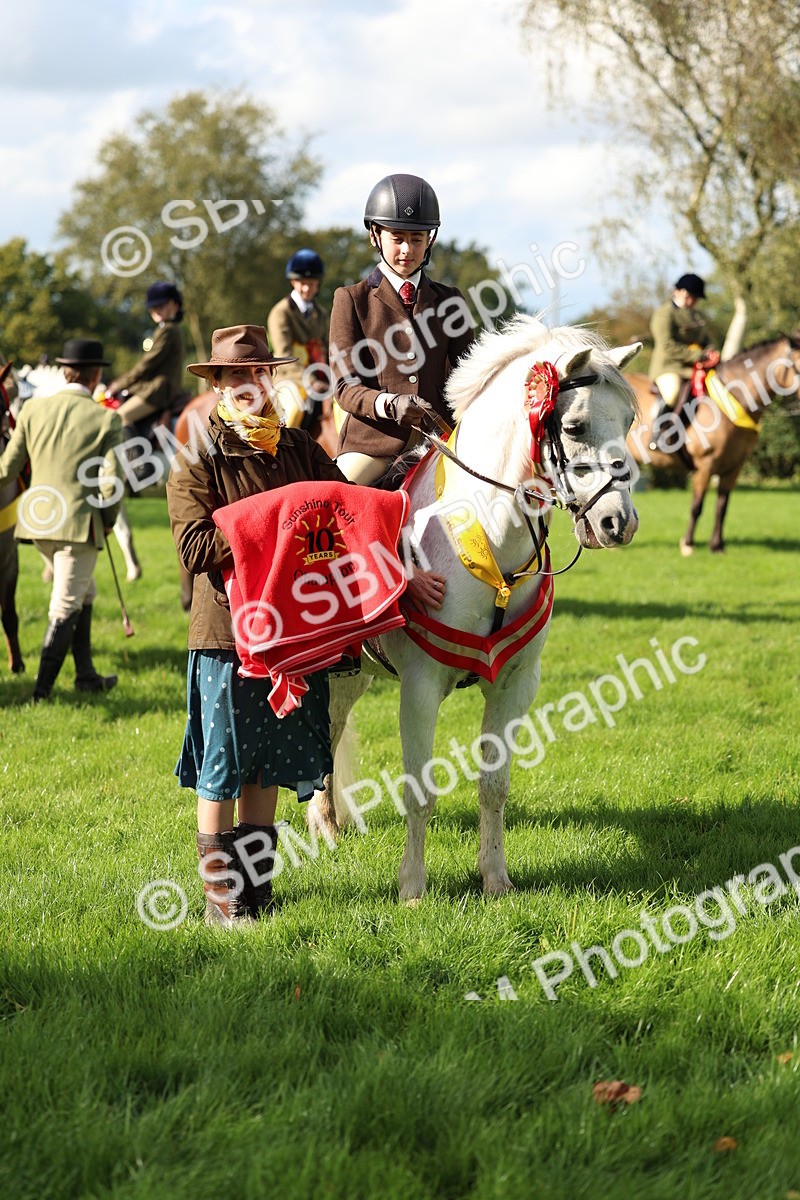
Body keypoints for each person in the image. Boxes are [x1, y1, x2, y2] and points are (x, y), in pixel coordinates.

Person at [167, 324, 445, 927]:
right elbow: (194, 546)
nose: (249, 385)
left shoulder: (297, 446)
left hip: (295, 632)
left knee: (268, 762)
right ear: (217, 384)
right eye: (235, 377)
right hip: (228, 633)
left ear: (270, 378)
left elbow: (351, 512)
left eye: (258, 373)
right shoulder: (196, 457)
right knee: (223, 764)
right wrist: (278, 522)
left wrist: (402, 570)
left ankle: (256, 888)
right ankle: (222, 898)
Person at [329, 173, 475, 484]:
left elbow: (470, 375)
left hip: (440, 442)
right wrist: (389, 404)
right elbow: (344, 387)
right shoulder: (350, 300)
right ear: (375, 235)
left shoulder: (450, 300)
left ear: (430, 240)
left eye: (417, 239)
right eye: (397, 238)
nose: (407, 250)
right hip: (373, 446)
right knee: (335, 500)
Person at [0, 338, 123, 701]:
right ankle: (41, 694)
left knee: (85, 591)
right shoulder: (106, 417)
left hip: (36, 525)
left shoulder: (32, 411)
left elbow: (6, 469)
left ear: (65, 370)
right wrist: (109, 521)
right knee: (65, 604)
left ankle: (85, 675)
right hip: (77, 526)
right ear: (96, 374)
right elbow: (113, 481)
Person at [266, 249, 331, 431]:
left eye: (312, 283)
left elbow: (327, 348)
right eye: (302, 283)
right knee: (295, 410)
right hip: (289, 378)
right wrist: (311, 381)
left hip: (320, 376)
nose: (307, 289)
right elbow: (284, 356)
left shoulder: (322, 313)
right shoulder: (281, 313)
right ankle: (282, 454)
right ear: (293, 282)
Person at [109, 281, 185, 427]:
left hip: (158, 390)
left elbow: (147, 364)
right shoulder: (166, 329)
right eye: (153, 307)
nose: (156, 310)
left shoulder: (168, 331)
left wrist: (120, 384)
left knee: (119, 418)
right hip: (156, 387)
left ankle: (135, 451)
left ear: (174, 305)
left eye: (161, 305)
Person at [649, 273, 712, 414]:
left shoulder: (697, 316)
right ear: (679, 291)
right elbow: (667, 345)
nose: (694, 301)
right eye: (692, 296)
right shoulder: (665, 313)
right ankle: (659, 431)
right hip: (670, 366)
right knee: (672, 394)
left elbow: (706, 339)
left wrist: (711, 351)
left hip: (697, 366)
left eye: (696, 298)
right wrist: (698, 355)